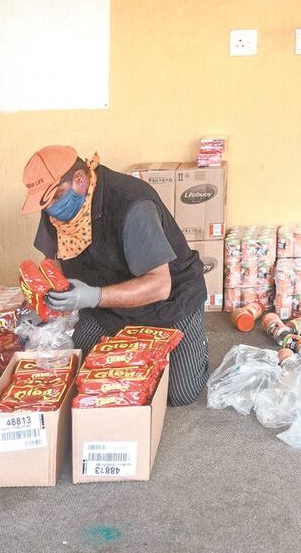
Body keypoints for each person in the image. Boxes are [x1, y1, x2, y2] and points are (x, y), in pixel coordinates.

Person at [21, 145, 209, 407]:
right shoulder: (55, 210)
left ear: (79, 179)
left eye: (55, 197)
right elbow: (53, 262)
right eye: (45, 202)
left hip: (167, 305)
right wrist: (43, 302)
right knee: (78, 377)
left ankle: (196, 342)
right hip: (107, 308)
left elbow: (160, 285)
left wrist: (93, 296)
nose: (51, 208)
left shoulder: (131, 204)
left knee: (178, 394)